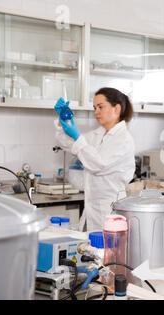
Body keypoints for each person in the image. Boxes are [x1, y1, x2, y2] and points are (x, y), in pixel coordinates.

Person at [54, 87, 136, 232]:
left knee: (109, 252)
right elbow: (67, 144)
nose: (96, 112)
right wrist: (63, 121)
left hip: (111, 211)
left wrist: (78, 137)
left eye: (100, 107)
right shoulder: (98, 135)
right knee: (91, 252)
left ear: (116, 108)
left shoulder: (123, 139)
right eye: (94, 107)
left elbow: (98, 164)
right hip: (91, 211)